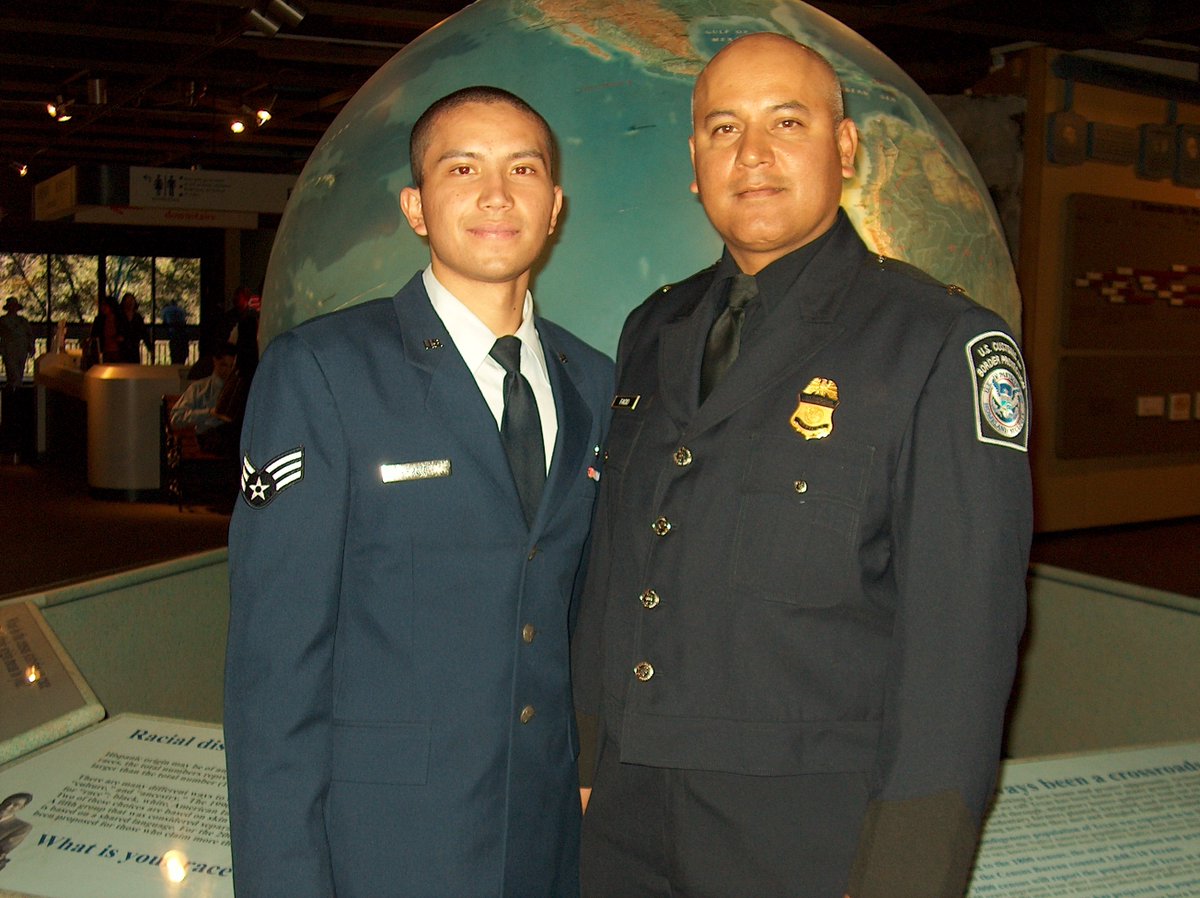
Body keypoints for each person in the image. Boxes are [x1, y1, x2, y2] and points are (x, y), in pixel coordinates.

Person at [572, 33, 1032, 898]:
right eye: (723, 128)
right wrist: (587, 746)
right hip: (625, 818)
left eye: (788, 121)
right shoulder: (653, 330)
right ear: (694, 161)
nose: (753, 155)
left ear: (845, 147)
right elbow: (616, 564)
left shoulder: (935, 344)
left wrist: (908, 871)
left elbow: (959, 649)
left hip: (806, 834)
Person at [224, 85, 613, 898]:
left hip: (547, 844)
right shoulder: (326, 373)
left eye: (523, 169)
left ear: (554, 207)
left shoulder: (595, 384)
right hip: (383, 850)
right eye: (462, 167)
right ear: (416, 207)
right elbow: (276, 673)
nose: (496, 194)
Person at [169, 343, 238, 457]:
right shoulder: (199, 388)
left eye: (232, 366)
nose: (228, 371)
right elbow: (176, 418)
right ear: (215, 362)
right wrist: (210, 412)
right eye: (224, 365)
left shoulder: (239, 388)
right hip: (210, 437)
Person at [0, 297, 35, 391]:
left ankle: (17, 392)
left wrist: (31, 346)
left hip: (21, 350)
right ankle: (13, 391)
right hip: (9, 350)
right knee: (12, 372)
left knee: (19, 372)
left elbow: (29, 334)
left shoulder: (23, 320)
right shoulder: (3, 321)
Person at [118, 292, 152, 363]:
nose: (130, 303)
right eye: (127, 301)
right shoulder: (119, 316)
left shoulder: (137, 317)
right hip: (121, 349)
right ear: (123, 303)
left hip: (134, 348)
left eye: (131, 301)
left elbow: (144, 333)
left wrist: (150, 347)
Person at [160, 298, 188, 364]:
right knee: (181, 355)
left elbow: (164, 322)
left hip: (173, 334)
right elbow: (184, 321)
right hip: (182, 334)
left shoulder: (166, 310)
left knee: (174, 354)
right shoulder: (181, 310)